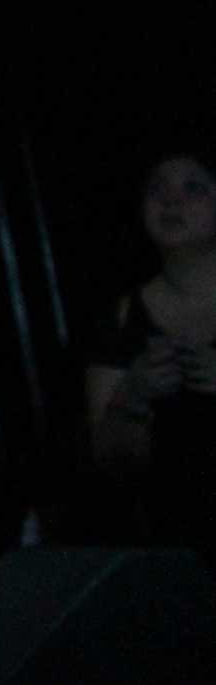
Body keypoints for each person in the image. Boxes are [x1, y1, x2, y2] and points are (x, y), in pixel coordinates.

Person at [82, 150, 216, 550]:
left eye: (193, 187)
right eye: (156, 188)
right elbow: (110, 465)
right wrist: (133, 395)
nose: (171, 200)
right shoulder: (123, 318)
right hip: (180, 549)